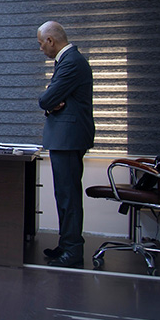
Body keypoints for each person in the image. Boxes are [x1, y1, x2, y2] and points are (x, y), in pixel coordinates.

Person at [37, 21, 94, 268]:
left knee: (68, 196)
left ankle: (73, 251)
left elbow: (46, 98)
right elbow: (53, 99)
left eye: (41, 43)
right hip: (66, 138)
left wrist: (50, 102)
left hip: (69, 138)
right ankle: (66, 243)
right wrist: (53, 102)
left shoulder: (71, 62)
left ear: (50, 40)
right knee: (64, 194)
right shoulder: (68, 60)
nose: (41, 49)